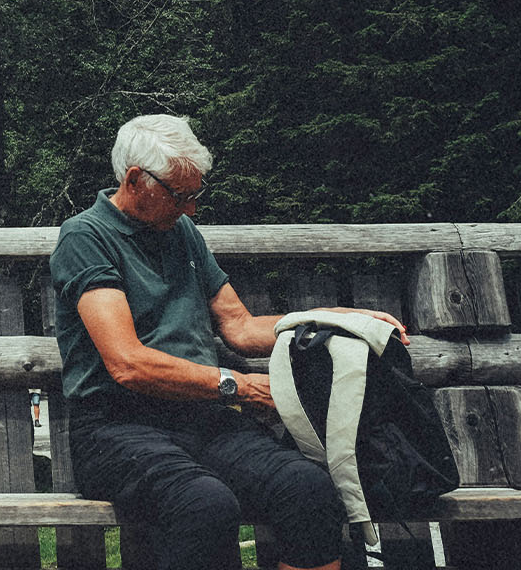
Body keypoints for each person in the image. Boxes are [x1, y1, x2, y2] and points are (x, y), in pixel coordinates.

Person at [50, 114, 408, 570]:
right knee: (205, 506)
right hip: (116, 428)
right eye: (181, 195)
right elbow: (128, 362)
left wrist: (326, 317)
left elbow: (239, 326)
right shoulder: (85, 236)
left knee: (310, 490)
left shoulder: (181, 231)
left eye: (196, 194)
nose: (192, 208)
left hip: (202, 421)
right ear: (136, 179)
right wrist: (236, 386)